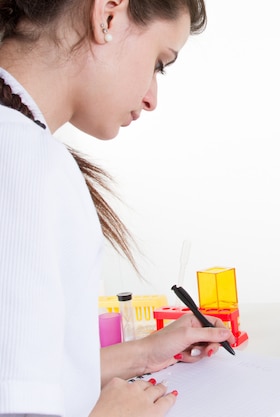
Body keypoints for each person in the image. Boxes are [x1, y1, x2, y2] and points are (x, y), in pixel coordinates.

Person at [0, 1, 236, 416]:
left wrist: (144, 354)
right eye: (159, 63)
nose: (151, 99)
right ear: (108, 15)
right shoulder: (27, 163)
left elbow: (21, 380)